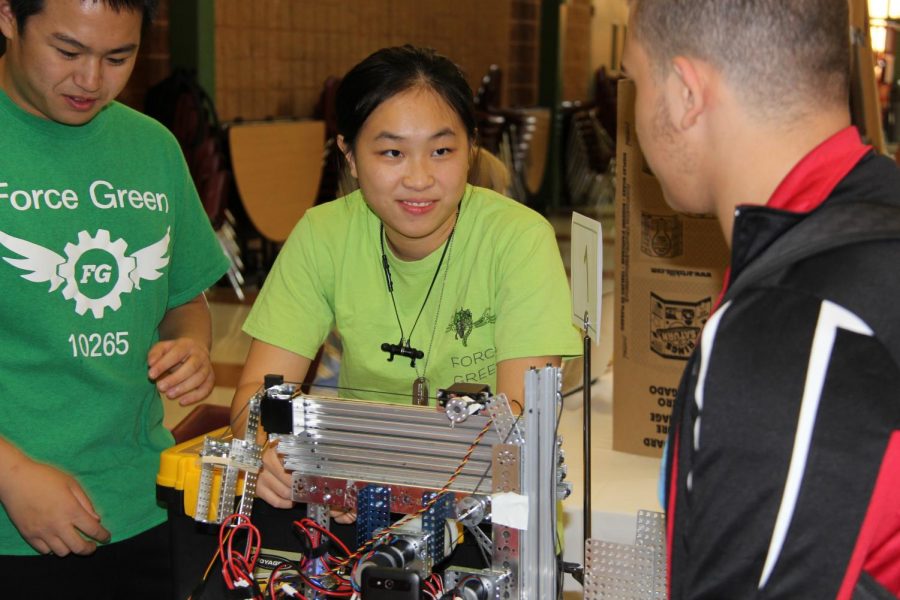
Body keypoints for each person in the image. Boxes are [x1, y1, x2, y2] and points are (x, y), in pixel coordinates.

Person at [623, 1, 900, 598]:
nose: (636, 117)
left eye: (635, 83)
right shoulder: (872, 220)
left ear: (683, 93)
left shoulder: (799, 320)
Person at [231, 44, 581, 516]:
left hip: (483, 516)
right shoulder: (323, 234)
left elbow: (523, 423)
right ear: (349, 156)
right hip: (354, 511)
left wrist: (393, 482)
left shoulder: (519, 240)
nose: (419, 179)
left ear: (472, 149)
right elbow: (256, 393)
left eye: (441, 151)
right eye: (392, 152)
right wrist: (270, 451)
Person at [0, 0, 229, 596]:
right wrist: (12, 473)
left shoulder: (151, 147)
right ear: (7, 16)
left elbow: (185, 298)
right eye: (68, 51)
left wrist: (190, 346)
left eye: (118, 57)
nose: (91, 80)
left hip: (140, 502)